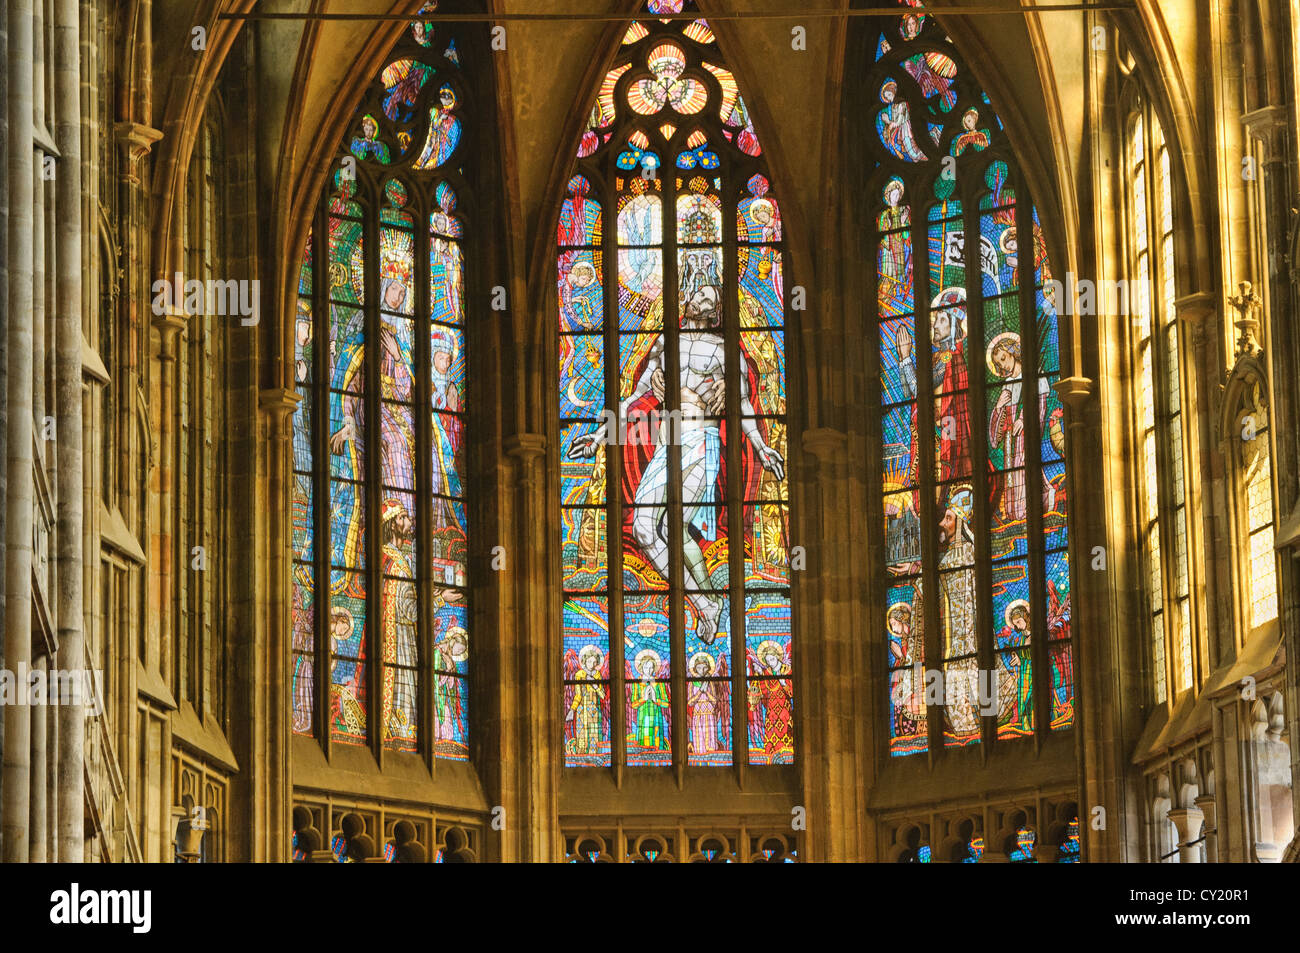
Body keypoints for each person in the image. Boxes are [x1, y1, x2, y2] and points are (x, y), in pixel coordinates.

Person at [568, 283, 784, 644]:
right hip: (669, 446)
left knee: (672, 523)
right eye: (701, 294)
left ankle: (706, 605)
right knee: (646, 529)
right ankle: (706, 604)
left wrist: (761, 447)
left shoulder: (722, 349)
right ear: (686, 299)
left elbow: (744, 404)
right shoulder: (664, 346)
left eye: (712, 297)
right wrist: (597, 438)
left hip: (702, 441)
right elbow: (633, 400)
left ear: (716, 311)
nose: (706, 300)